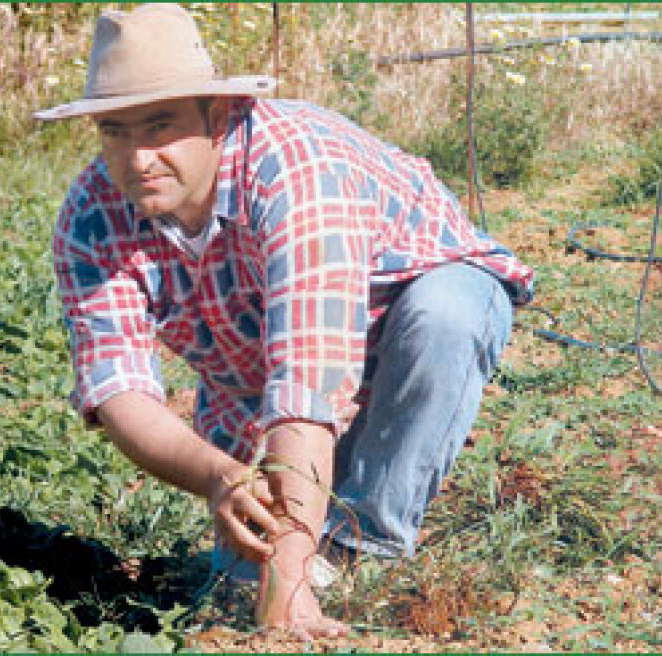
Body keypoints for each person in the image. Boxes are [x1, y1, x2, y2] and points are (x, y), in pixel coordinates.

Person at [35, 4, 534, 639]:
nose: (138, 158)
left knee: (446, 313)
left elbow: (307, 384)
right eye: (116, 131)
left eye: (160, 126)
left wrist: (290, 582)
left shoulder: (294, 171)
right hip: (254, 386)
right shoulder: (91, 215)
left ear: (216, 119)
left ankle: (366, 547)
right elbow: (118, 391)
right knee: (239, 583)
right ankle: (309, 539)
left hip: (400, 329)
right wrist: (222, 479)